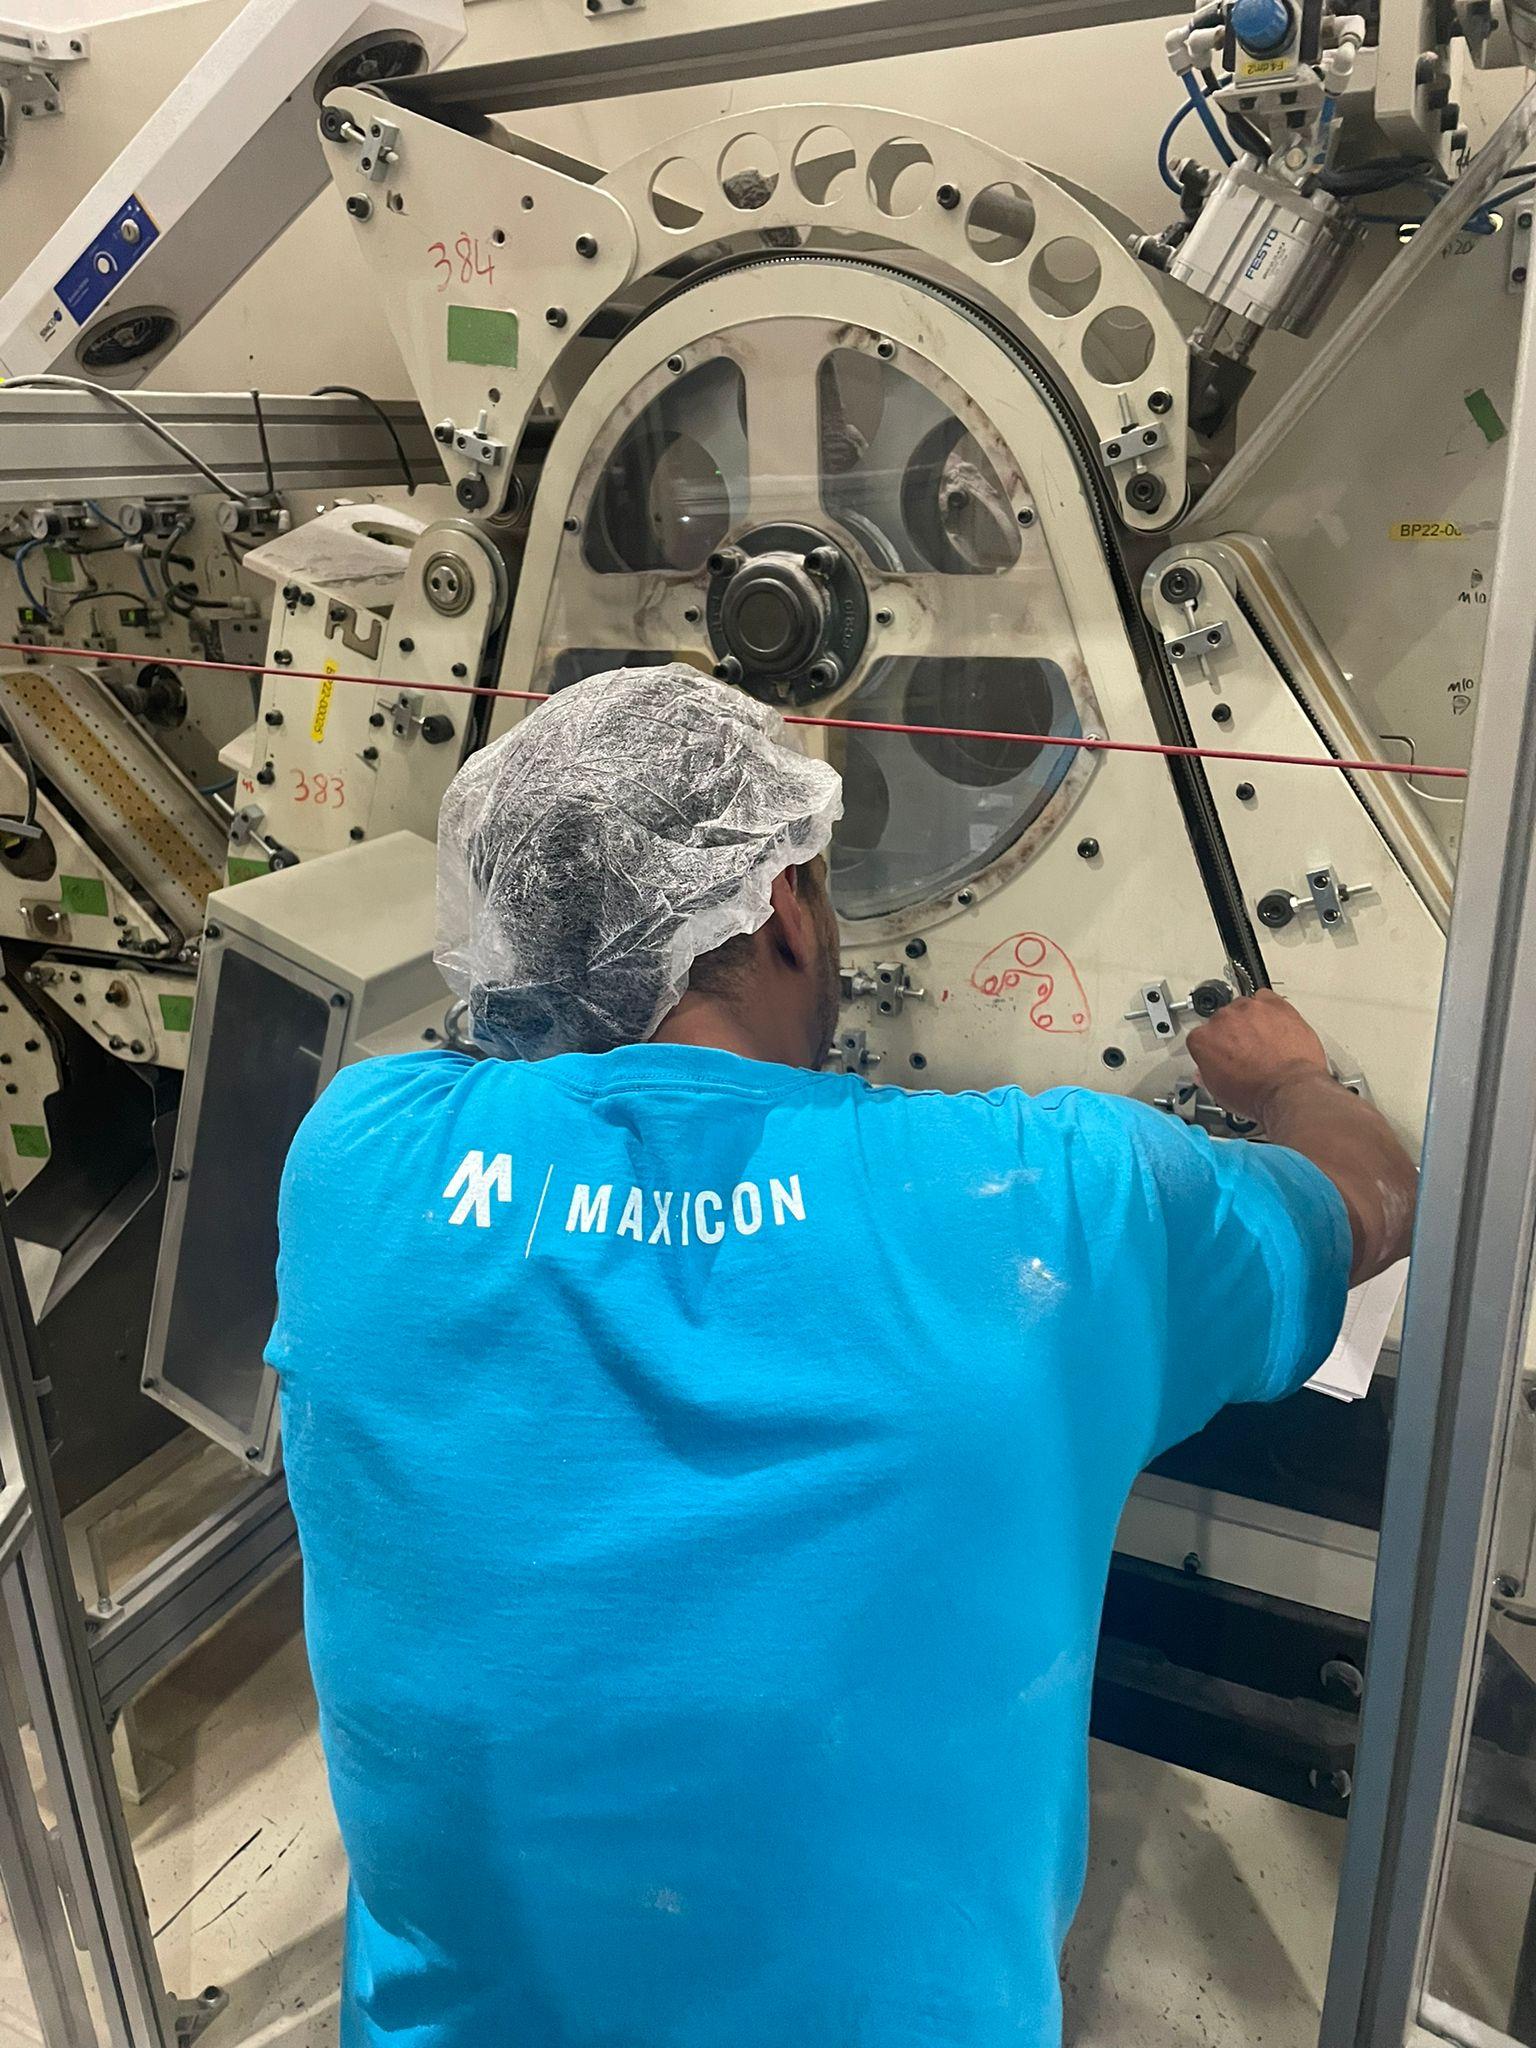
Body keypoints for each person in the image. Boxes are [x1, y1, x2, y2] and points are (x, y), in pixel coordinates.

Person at [268, 662, 1416, 2048]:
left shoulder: (357, 1159)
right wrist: (1290, 1079)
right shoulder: (1050, 1201)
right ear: (780, 910)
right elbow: (1373, 1202)